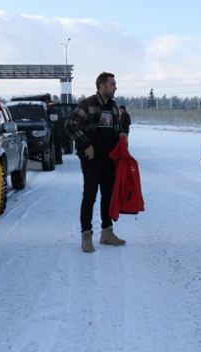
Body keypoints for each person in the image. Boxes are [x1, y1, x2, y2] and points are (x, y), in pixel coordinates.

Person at [64, 72, 127, 253]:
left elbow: (118, 128)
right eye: (112, 84)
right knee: (90, 196)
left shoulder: (114, 107)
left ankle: (107, 233)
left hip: (110, 159)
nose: (115, 87)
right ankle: (86, 236)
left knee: (108, 195)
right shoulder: (88, 104)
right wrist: (86, 144)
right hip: (92, 159)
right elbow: (70, 124)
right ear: (101, 86)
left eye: (115, 84)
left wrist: (122, 135)